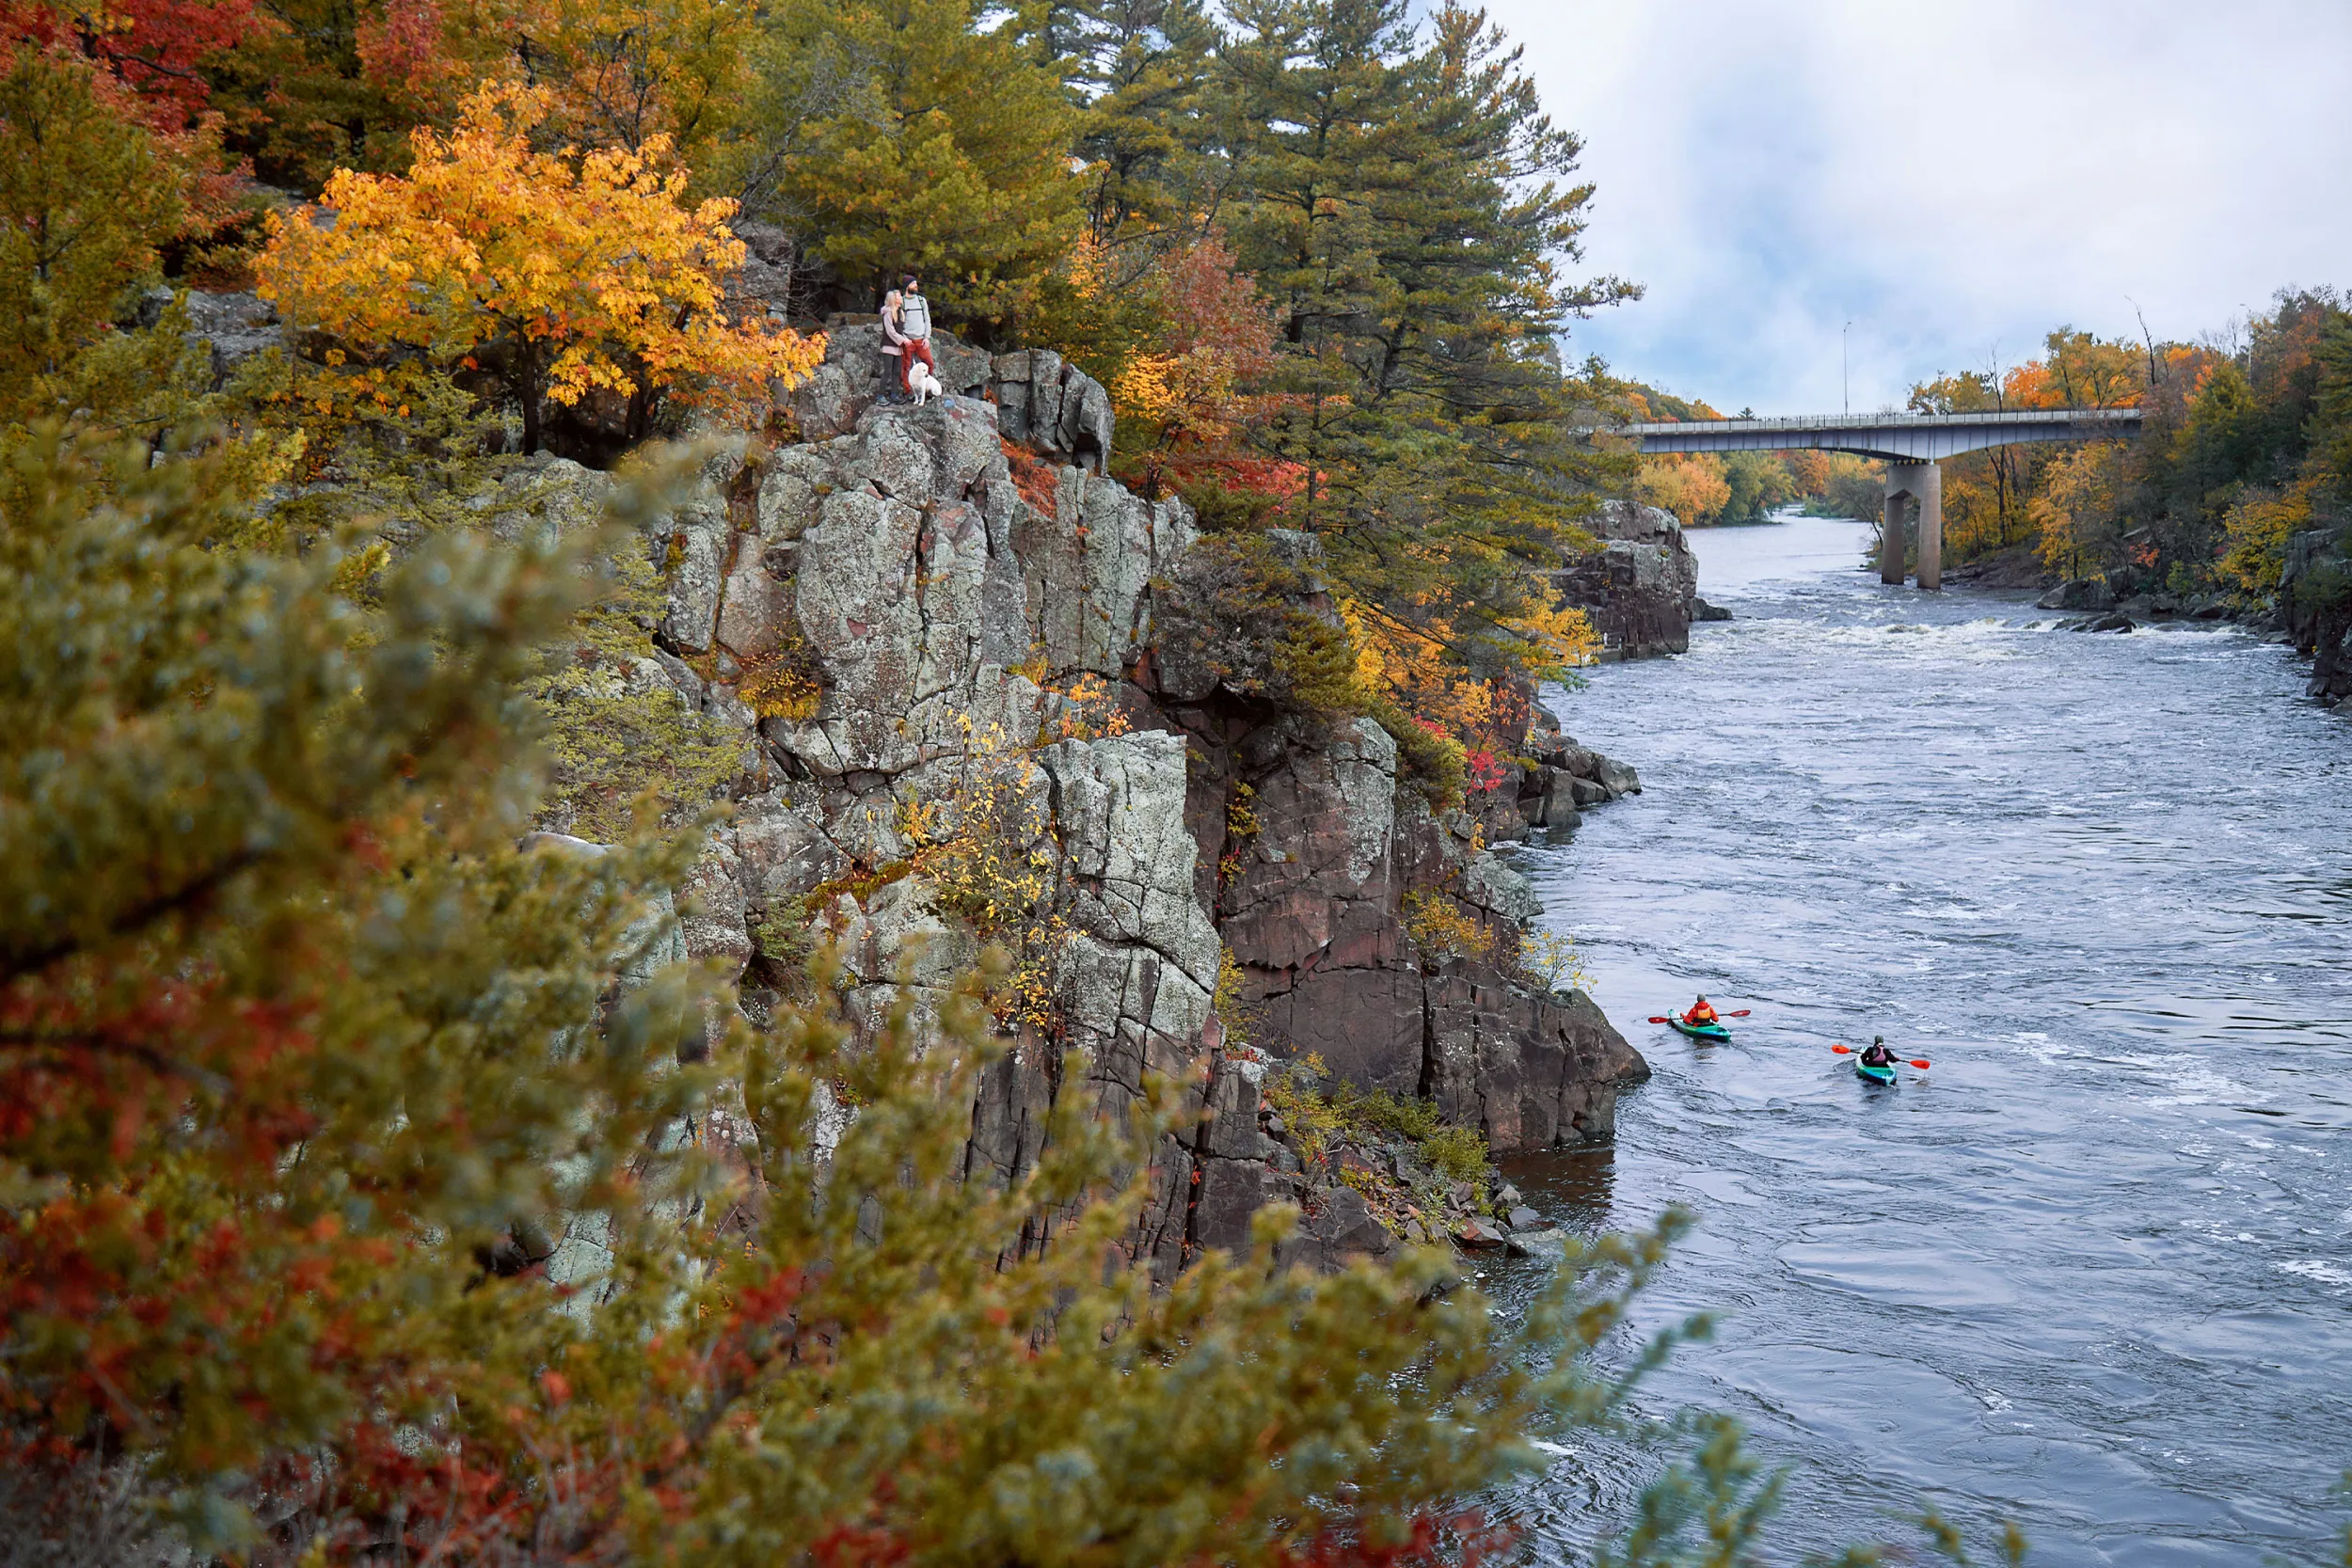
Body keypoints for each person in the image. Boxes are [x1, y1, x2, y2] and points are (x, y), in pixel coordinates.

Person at [889, 272, 936, 401]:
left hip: (921, 340)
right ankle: (909, 391)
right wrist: (904, 338)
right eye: (913, 284)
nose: (916, 286)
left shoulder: (921, 301)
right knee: (906, 367)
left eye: (916, 284)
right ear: (907, 286)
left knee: (929, 363)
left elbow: (927, 319)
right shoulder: (902, 302)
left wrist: (927, 337)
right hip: (908, 340)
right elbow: (898, 323)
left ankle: (926, 388)